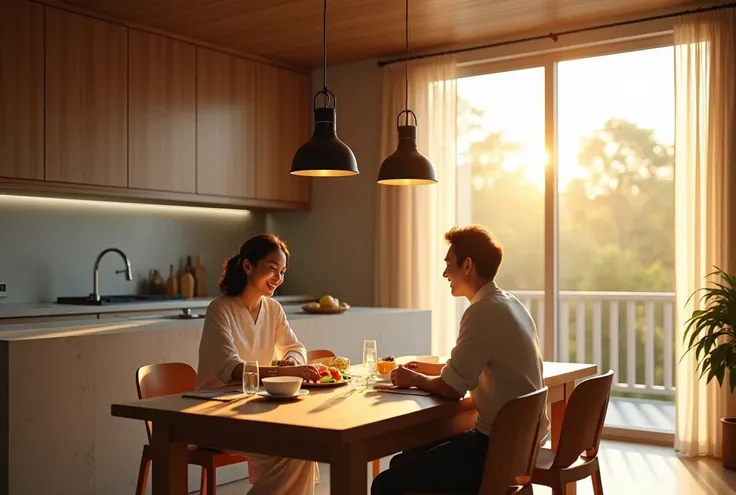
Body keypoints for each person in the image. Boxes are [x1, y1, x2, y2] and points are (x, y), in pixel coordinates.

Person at [371, 224, 549, 495]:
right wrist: (429, 369)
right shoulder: (510, 303)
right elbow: (475, 366)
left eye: (448, 264)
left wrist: (412, 378)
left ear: (467, 265)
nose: (445, 274)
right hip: (522, 446)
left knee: (386, 483)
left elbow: (452, 389)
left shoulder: (481, 311)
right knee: (404, 459)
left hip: (494, 451)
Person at [195, 233, 320, 495]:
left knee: (304, 449)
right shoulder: (220, 309)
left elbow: (295, 347)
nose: (278, 278)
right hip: (214, 414)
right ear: (248, 266)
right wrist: (285, 371)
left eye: (283, 271)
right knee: (291, 454)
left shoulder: (273, 309)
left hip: (253, 410)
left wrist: (292, 360)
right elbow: (232, 368)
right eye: (272, 268)